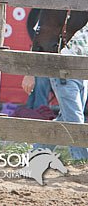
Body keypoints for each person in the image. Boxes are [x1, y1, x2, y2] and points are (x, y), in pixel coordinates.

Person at [22, 22, 88, 161]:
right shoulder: (61, 10)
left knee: (66, 119)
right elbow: (41, 37)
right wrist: (30, 73)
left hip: (82, 73)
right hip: (64, 69)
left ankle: (35, 154)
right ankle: (82, 160)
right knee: (75, 120)